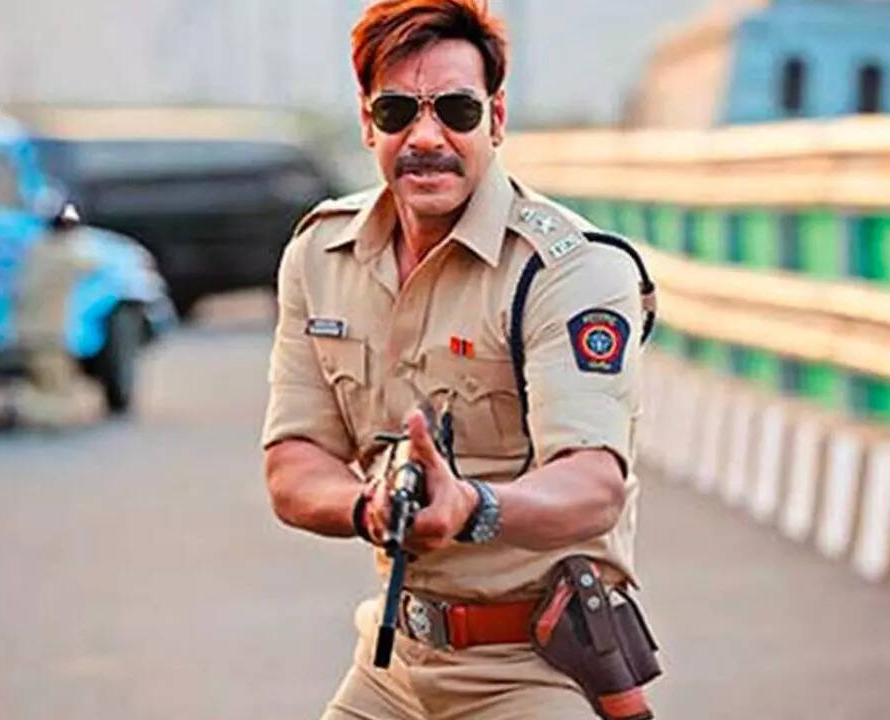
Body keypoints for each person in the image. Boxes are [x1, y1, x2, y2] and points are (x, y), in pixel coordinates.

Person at [261, 1, 657, 718]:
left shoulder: (570, 270)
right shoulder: (321, 253)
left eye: (455, 110)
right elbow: (293, 463)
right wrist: (369, 508)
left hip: (535, 664)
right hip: (393, 660)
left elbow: (594, 485)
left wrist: (474, 507)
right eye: (396, 112)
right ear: (367, 123)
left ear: (495, 119)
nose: (425, 137)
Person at [14, 203, 94, 429]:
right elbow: (91, 264)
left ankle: (37, 417)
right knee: (56, 382)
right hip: (49, 333)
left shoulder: (35, 250)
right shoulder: (65, 254)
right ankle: (49, 420)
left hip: (25, 330)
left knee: (38, 379)